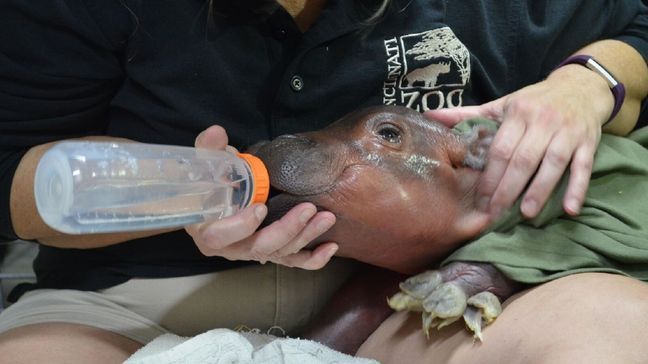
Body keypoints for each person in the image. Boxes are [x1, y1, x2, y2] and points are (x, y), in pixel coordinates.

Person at [0, 0, 646, 363]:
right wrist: (163, 198)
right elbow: (12, 176)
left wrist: (589, 84)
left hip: (417, 299)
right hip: (127, 305)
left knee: (611, 336)